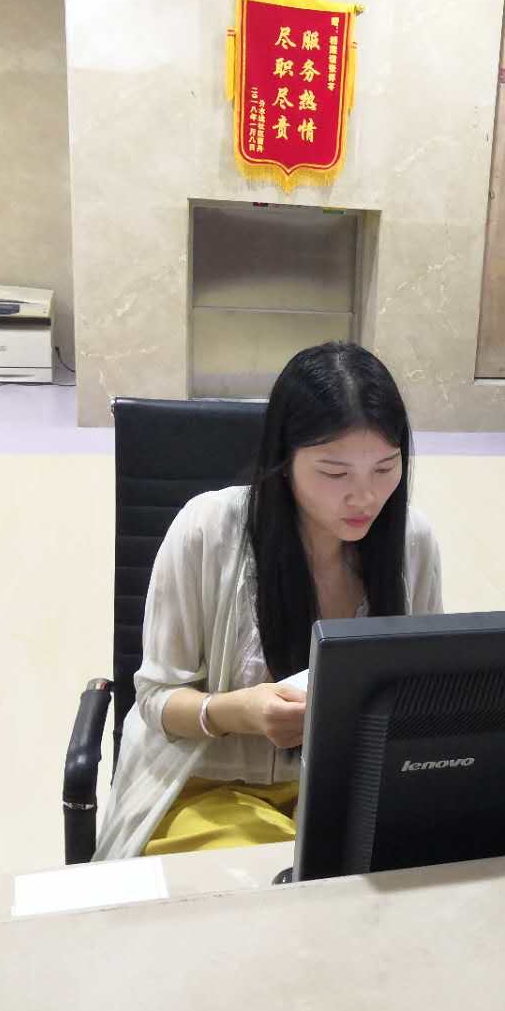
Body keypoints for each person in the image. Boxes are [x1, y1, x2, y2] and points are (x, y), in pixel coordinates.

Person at [94, 343, 443, 860]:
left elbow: (427, 690)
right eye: (335, 473)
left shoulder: (411, 542)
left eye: (385, 468)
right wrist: (238, 713)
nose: (365, 497)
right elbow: (155, 700)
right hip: (209, 789)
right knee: (283, 882)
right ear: (284, 461)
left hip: (350, 790)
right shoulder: (208, 529)